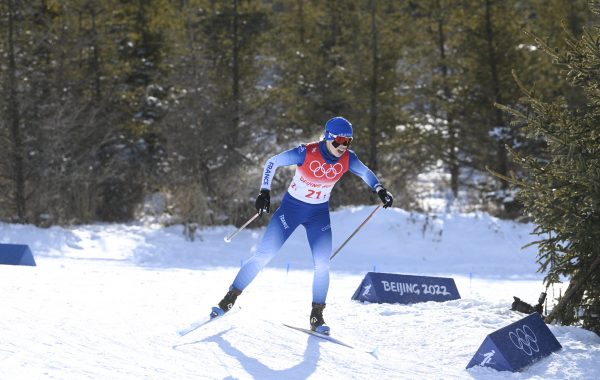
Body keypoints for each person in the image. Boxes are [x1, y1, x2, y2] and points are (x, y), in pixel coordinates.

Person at [210, 116, 393, 335]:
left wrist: (380, 190)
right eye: (339, 141)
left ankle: (317, 316)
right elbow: (272, 162)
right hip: (291, 211)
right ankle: (229, 299)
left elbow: (365, 172)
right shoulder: (306, 152)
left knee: (322, 264)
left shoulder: (348, 159)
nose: (343, 146)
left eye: (348, 142)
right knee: (264, 256)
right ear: (328, 137)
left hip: (318, 215)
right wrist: (264, 191)